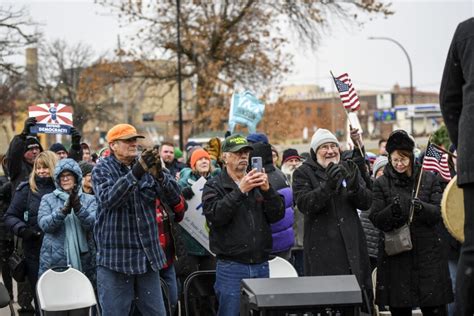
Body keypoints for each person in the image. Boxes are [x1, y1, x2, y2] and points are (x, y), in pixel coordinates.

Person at [92, 124, 182, 316]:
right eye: (128, 140)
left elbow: (175, 199)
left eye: (135, 140)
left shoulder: (146, 165)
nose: (134, 144)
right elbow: (109, 200)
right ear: (113, 145)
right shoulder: (101, 169)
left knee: (158, 313)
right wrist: (136, 173)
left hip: (147, 258)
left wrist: (160, 176)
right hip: (115, 261)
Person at [369, 130, 453, 316]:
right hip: (397, 256)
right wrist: (392, 211)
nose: (399, 164)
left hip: (427, 254)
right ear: (389, 157)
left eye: (403, 159)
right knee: (400, 308)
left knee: (434, 306)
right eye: (395, 160)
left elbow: (440, 211)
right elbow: (375, 217)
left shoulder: (428, 178)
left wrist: (422, 207)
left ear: (410, 157)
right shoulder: (381, 183)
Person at [202, 134, 284, 316]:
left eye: (246, 153)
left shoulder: (257, 181)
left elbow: (277, 215)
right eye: (238, 153)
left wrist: (268, 191)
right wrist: (240, 191)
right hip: (232, 267)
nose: (243, 157)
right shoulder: (213, 185)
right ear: (225, 157)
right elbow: (216, 216)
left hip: (261, 263)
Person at [292, 128, 373, 311]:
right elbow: (305, 204)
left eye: (333, 146)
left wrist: (354, 187)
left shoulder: (347, 166)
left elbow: (367, 202)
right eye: (324, 147)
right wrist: (328, 185)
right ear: (315, 151)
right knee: (328, 304)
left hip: (352, 248)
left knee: (355, 304)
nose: (330, 151)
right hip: (323, 251)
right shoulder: (303, 173)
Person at [440, 17, 474, 316]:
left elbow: (448, 99)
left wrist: (464, 143)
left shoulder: (466, 31)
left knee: (472, 247)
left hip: (473, 157)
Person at [4, 151, 58, 315]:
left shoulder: (63, 187)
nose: (42, 171)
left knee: (60, 298)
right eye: (38, 168)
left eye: (46, 168)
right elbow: (10, 216)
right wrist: (23, 230)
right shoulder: (26, 189)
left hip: (60, 253)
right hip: (34, 253)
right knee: (42, 298)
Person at [37, 158, 96, 284]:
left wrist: (79, 209)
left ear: (76, 177)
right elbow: (44, 225)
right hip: (55, 258)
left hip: (85, 258)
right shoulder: (47, 199)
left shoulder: (90, 200)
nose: (65, 179)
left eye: (68, 175)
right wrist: (63, 211)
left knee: (83, 296)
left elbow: (93, 224)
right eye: (61, 176)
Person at [177, 148, 220, 315]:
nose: (204, 161)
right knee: (192, 289)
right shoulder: (183, 182)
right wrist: (182, 195)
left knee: (210, 287)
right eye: (200, 159)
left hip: (210, 245)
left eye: (206, 159)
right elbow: (174, 201)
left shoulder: (217, 181)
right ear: (193, 164)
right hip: (190, 244)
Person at [280, 148, 304, 276]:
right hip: (285, 241)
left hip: (302, 239)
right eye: (290, 161)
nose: (294, 163)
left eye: (296, 160)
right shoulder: (280, 180)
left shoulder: (304, 179)